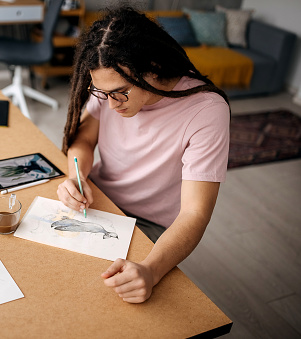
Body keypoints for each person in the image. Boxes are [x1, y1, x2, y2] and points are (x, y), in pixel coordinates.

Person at [57, 5, 230, 303]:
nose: (110, 105)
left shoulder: (206, 110)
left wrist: (150, 271)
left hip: (150, 225)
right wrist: (77, 177)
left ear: (152, 68)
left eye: (119, 93)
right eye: (102, 93)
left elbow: (195, 213)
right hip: (99, 200)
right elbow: (83, 141)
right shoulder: (108, 85)